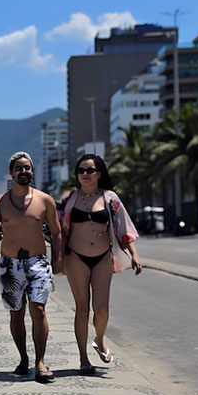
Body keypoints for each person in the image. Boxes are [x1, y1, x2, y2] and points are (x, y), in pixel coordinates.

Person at [0, 152, 63, 382]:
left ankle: (40, 362)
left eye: (27, 168)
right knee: (16, 314)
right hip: (10, 266)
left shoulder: (45, 200)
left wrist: (59, 259)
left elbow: (56, 233)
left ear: (32, 171)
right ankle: (23, 358)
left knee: (38, 311)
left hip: (37, 262)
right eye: (19, 168)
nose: (24, 171)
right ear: (11, 172)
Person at [61, 153, 142, 375]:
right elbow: (55, 228)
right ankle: (83, 359)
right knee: (81, 307)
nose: (85, 174)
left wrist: (134, 254)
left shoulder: (110, 198)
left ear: (99, 173)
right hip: (75, 257)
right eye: (81, 170)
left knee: (102, 308)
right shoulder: (69, 199)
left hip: (102, 257)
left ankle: (99, 339)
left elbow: (123, 229)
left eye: (90, 170)